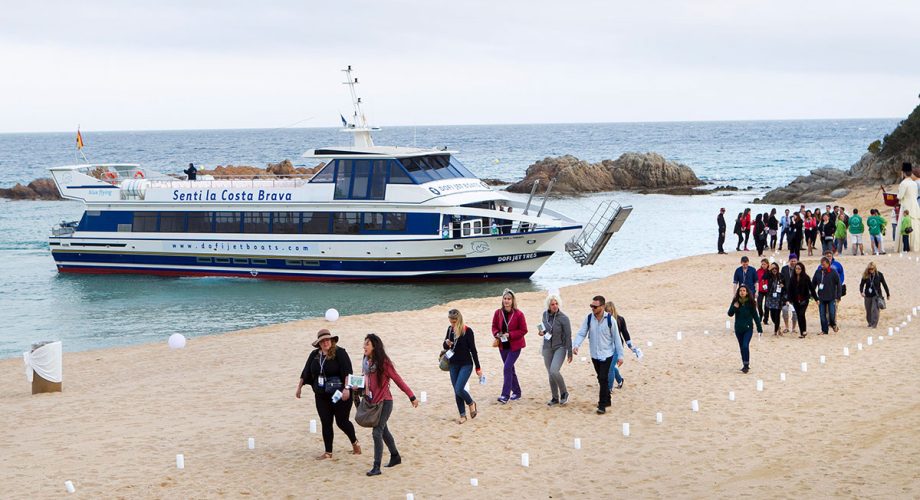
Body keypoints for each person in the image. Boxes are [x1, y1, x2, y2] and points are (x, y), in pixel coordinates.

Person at [296, 329, 361, 460]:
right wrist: (299, 388)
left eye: (327, 340)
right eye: (323, 341)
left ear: (331, 340)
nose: (326, 342)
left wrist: (347, 389)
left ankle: (355, 443)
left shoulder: (340, 353)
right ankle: (328, 452)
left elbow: (348, 372)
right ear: (319, 343)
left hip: (340, 393)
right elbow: (306, 371)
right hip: (321, 394)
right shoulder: (314, 355)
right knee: (326, 422)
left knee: (341, 422)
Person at [362, 333, 418, 476]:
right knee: (383, 431)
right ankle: (395, 456)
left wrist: (411, 396)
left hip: (385, 402)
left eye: (367, 344)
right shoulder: (366, 361)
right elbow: (366, 380)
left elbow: (398, 379)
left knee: (377, 432)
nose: (364, 346)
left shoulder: (384, 363)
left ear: (374, 346)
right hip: (372, 402)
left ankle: (376, 467)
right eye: (364, 344)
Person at [572, 295, 624, 414]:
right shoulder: (589, 318)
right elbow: (581, 333)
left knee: (603, 377)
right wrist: (576, 345)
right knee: (601, 379)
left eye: (595, 306)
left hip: (607, 354)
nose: (592, 308)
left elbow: (617, 339)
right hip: (594, 355)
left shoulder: (611, 320)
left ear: (602, 306)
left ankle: (602, 405)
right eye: (591, 306)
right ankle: (608, 400)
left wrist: (620, 356)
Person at [442, 309, 481, 423]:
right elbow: (445, 345)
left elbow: (473, 350)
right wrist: (447, 343)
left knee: (459, 388)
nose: (452, 324)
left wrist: (478, 368)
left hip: (466, 364)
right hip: (453, 364)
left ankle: (471, 403)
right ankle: (462, 415)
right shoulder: (450, 329)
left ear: (459, 319)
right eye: (451, 321)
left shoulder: (467, 331)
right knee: (456, 391)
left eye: (454, 321)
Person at [491, 288, 528, 404]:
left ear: (513, 301)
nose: (506, 301)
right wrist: (497, 333)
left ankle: (505, 395)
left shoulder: (519, 314)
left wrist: (510, 334)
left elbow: (524, 330)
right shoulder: (498, 313)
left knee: (507, 368)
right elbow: (494, 326)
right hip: (503, 345)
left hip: (515, 346)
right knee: (510, 369)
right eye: (505, 299)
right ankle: (517, 391)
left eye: (509, 299)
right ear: (502, 300)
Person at [540, 294, 572, 406]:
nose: (555, 306)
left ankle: (564, 393)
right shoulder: (544, 315)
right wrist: (542, 332)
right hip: (547, 347)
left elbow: (568, 336)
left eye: (556, 303)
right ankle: (554, 397)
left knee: (554, 370)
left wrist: (570, 352)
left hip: (560, 347)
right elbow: (544, 329)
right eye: (552, 304)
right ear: (548, 305)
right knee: (550, 374)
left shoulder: (564, 318)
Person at [728, 285, 762, 373]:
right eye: (740, 291)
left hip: (748, 328)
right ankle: (744, 364)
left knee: (745, 345)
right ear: (738, 292)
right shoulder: (735, 302)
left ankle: (746, 365)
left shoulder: (751, 303)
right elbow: (730, 314)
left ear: (747, 292)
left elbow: (755, 316)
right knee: (741, 347)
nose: (742, 292)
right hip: (738, 329)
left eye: (744, 290)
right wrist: (734, 307)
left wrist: (759, 328)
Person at [605, 301, 636, 391]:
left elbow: (625, 333)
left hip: (617, 347)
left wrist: (631, 346)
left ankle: (609, 388)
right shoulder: (603, 320)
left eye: (610, 311)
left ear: (613, 310)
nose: (609, 313)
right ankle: (620, 380)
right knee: (611, 367)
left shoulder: (620, 319)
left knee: (610, 367)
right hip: (607, 347)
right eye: (607, 311)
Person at [812, 257, 842, 335]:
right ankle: (824, 330)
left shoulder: (833, 272)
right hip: (821, 297)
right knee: (822, 315)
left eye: (824, 264)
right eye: (821, 264)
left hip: (831, 297)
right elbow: (813, 284)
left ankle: (833, 324)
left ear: (828, 264)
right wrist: (813, 295)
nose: (822, 266)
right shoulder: (818, 272)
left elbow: (838, 284)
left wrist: (838, 296)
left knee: (832, 314)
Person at [788, 262, 818, 338]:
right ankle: (802, 333)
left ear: (802, 269)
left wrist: (816, 299)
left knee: (802, 314)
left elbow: (812, 288)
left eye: (799, 269)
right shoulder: (792, 278)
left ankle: (804, 330)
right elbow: (790, 289)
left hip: (804, 299)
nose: (797, 270)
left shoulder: (806, 277)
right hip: (795, 300)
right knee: (798, 315)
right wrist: (789, 299)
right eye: (796, 268)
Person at [859, 262, 890, 328]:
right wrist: (861, 292)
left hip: (876, 295)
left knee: (874, 310)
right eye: (869, 269)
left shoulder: (879, 275)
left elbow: (884, 284)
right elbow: (861, 284)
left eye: (872, 269)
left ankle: (874, 324)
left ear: (875, 268)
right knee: (868, 310)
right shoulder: (866, 275)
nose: (871, 270)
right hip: (867, 295)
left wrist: (888, 294)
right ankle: (870, 322)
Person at [897, 163, 920, 252]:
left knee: (904, 226)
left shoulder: (904, 183)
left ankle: (905, 247)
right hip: (914, 205)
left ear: (903, 172)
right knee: (914, 225)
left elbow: (899, 196)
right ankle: (915, 246)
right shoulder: (914, 183)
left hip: (906, 205)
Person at [780, 254, 800, 335]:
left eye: (795, 261)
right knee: (784, 310)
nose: (793, 262)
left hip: (796, 294)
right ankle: (786, 327)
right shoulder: (784, 269)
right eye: (792, 261)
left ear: (797, 261)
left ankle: (794, 328)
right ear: (789, 261)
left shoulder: (799, 269)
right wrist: (781, 284)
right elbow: (781, 279)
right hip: (785, 293)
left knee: (795, 312)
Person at [764, 262, 783, 335]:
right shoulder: (769, 275)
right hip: (771, 297)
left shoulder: (781, 276)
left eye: (775, 268)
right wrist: (769, 269)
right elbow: (763, 277)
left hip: (779, 298)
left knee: (777, 314)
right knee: (772, 315)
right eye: (773, 268)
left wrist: (783, 285)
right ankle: (778, 327)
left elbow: (785, 285)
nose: (774, 270)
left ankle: (775, 331)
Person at [755, 258, 770, 323]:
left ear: (767, 264)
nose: (763, 265)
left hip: (768, 291)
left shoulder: (770, 271)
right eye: (762, 264)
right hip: (760, 290)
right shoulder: (758, 271)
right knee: (759, 304)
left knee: (766, 305)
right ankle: (761, 314)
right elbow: (756, 280)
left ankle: (766, 319)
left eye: (764, 264)